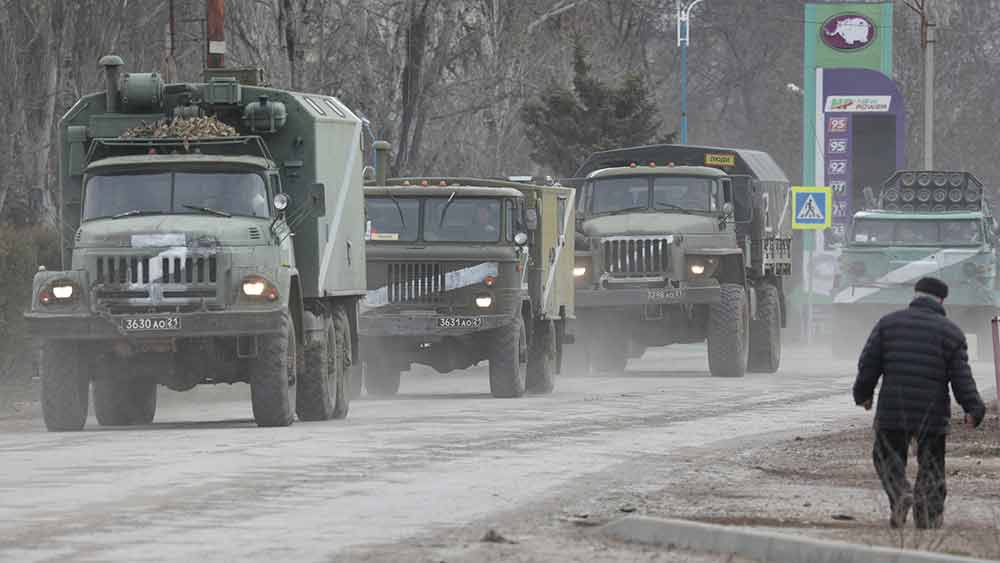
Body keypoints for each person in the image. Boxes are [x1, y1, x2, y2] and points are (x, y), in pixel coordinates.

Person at [853, 277, 986, 529]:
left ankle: (900, 493)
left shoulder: (888, 324)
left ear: (914, 295)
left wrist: (863, 395)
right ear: (942, 300)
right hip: (932, 414)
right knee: (932, 465)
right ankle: (928, 517)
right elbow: (962, 378)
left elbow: (868, 364)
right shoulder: (951, 332)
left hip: (893, 410)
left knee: (886, 457)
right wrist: (973, 409)